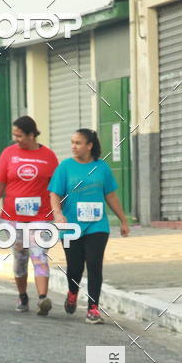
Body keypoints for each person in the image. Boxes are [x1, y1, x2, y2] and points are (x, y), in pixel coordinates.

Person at [49, 128, 129, 324]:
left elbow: (110, 195)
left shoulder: (102, 168)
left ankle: (93, 308)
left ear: (89, 145)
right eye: (72, 142)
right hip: (71, 226)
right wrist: (58, 213)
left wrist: (123, 220)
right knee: (75, 267)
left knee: (94, 264)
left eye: (78, 143)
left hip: (97, 225)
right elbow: (54, 194)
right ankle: (72, 292)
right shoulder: (65, 167)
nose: (73, 146)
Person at [0, 116, 58, 315]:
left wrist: (59, 211)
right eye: (14, 135)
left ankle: (43, 298)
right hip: (12, 217)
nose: (16, 139)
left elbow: (56, 188)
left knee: (40, 255)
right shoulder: (8, 154)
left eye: (20, 135)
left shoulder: (48, 156)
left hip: (40, 216)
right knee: (20, 259)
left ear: (32, 134)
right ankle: (23, 295)